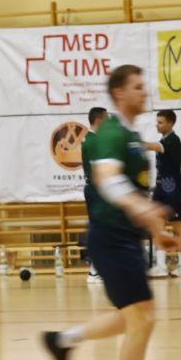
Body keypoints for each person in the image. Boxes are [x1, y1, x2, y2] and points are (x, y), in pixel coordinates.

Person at [43, 66, 178, 360]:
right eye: (137, 86)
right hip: (110, 237)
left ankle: (63, 340)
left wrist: (156, 230)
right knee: (143, 319)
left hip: (127, 238)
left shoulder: (132, 137)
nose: (144, 91)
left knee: (132, 318)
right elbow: (109, 182)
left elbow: (136, 189)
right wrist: (145, 211)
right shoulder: (110, 134)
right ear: (119, 93)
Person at [153, 109, 181, 277]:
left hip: (173, 189)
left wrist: (136, 142)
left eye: (160, 122)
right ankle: (161, 266)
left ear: (170, 123)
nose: (157, 125)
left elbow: (156, 147)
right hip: (160, 188)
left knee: (177, 226)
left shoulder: (173, 140)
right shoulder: (163, 140)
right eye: (157, 122)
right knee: (158, 226)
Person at [82, 106, 109, 284]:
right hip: (97, 189)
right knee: (98, 229)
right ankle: (94, 270)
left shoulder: (91, 139)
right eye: (106, 118)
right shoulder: (93, 141)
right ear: (99, 120)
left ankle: (100, 268)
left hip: (96, 189)